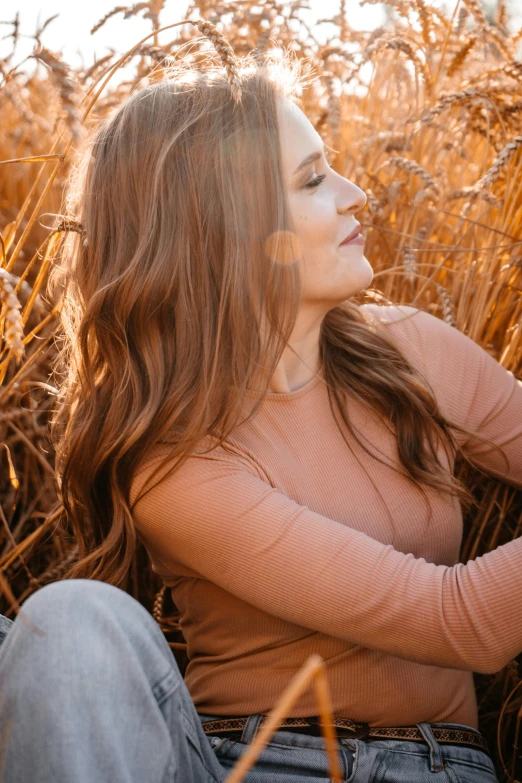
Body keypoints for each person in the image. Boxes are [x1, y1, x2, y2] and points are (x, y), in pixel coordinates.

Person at [0, 47, 520, 783]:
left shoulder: (410, 350)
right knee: (66, 623)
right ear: (225, 234)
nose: (356, 194)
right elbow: (461, 621)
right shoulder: (177, 464)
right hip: (239, 762)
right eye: (312, 180)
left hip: (432, 765)